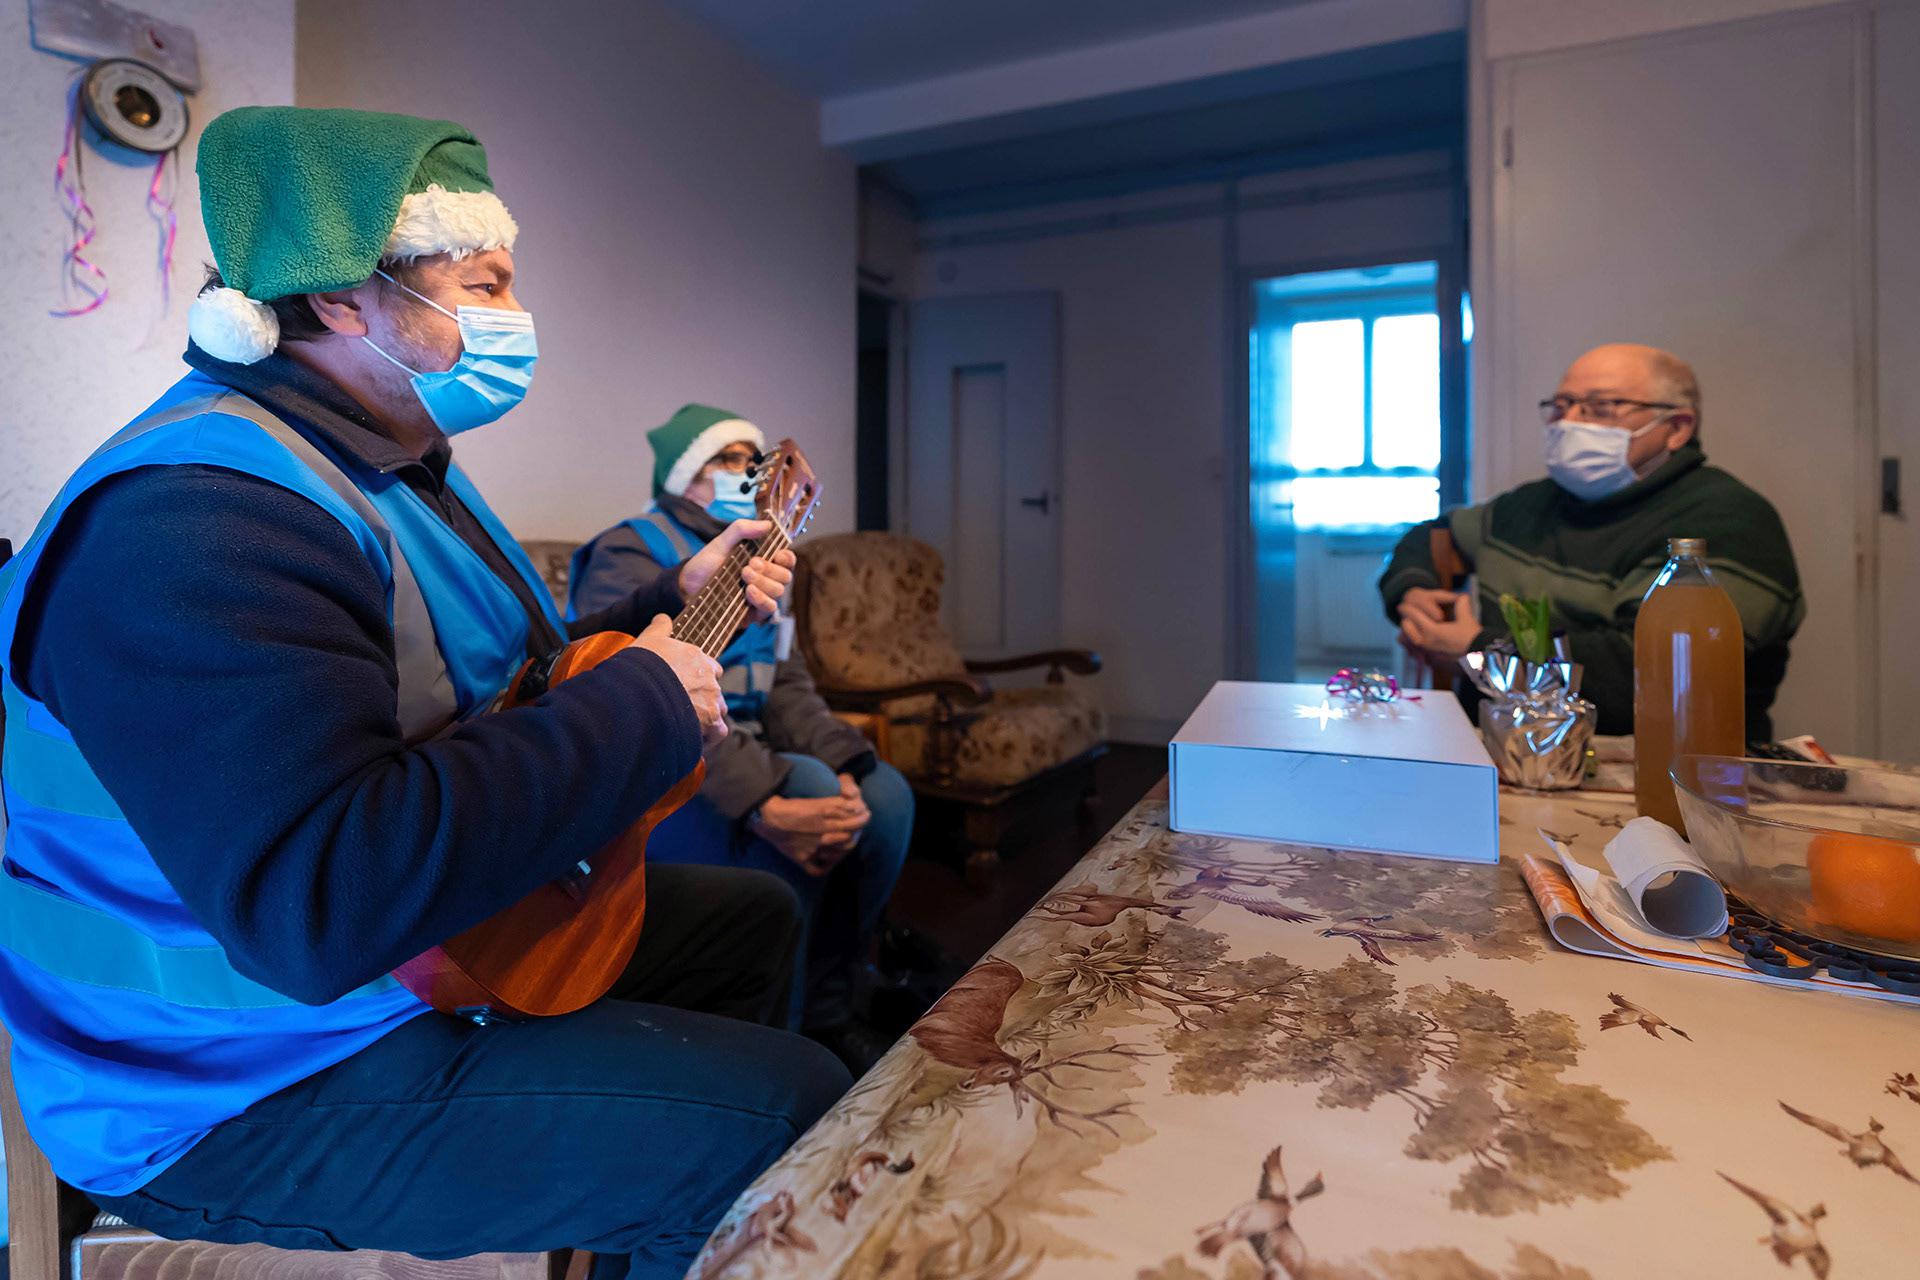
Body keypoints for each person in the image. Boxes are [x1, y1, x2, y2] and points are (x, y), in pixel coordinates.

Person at [0, 107, 850, 1280]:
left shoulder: (385, 459)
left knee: (755, 921)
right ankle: (686, 1188)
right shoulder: (195, 522)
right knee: (790, 1113)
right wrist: (650, 702)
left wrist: (669, 597)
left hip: (407, 963)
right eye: (485, 282)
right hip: (230, 1071)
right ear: (347, 298)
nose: (512, 317)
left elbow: (495, 685)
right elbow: (319, 901)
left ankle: (643, 1215)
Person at [571, 406, 914, 1071]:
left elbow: (787, 687)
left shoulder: (763, 563)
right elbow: (624, 691)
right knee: (805, 790)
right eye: (726, 459)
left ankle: (830, 1011)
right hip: (667, 774)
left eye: (750, 462)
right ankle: (775, 1047)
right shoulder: (631, 550)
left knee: (886, 797)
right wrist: (765, 800)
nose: (743, 473)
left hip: (752, 750)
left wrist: (847, 766)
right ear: (685, 475)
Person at [1381, 342, 1804, 739]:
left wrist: (1480, 651)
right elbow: (1430, 537)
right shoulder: (1528, 507)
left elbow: (1648, 678)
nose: (1570, 422)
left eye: (1602, 408)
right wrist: (1413, 590)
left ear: (1676, 428)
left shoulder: (1728, 521)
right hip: (1499, 754)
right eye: (1561, 406)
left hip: (1672, 770)